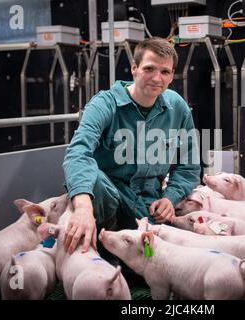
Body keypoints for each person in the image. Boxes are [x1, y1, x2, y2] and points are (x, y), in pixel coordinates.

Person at [62, 37, 201, 254]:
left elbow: (189, 166)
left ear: (172, 75)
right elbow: (78, 152)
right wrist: (82, 207)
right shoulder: (104, 105)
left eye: (165, 72)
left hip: (150, 203)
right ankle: (101, 246)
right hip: (110, 201)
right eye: (149, 69)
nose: (157, 78)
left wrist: (169, 198)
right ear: (134, 68)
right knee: (94, 179)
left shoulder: (177, 108)